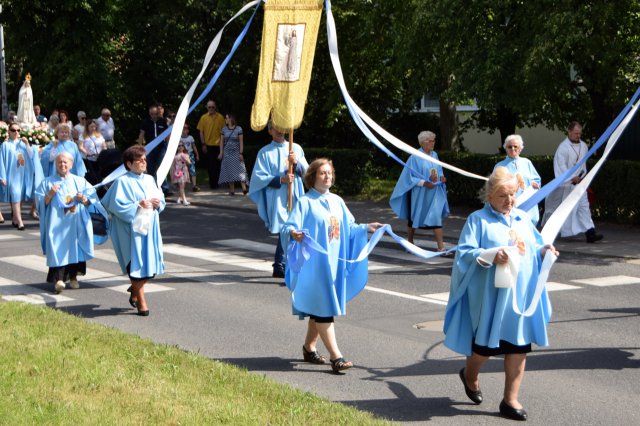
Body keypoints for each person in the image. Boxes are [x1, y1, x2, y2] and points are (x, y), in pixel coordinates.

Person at [443, 167, 558, 421]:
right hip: (491, 298)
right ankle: (470, 375)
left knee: (519, 347)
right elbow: (464, 253)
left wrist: (544, 251)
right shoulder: (478, 220)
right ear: (489, 196)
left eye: (513, 195)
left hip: (519, 297)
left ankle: (510, 400)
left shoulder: (523, 218)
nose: (509, 201)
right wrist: (491, 255)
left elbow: (534, 247)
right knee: (483, 350)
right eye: (503, 196)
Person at [281, 158, 383, 373]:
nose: (327, 176)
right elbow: (288, 227)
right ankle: (337, 358)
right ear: (312, 177)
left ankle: (309, 348)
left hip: (334, 263)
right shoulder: (305, 202)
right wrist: (293, 234)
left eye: (329, 173)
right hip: (314, 265)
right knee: (324, 308)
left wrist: (367, 227)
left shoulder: (337, 201)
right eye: (322, 173)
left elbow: (349, 227)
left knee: (318, 308)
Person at [102, 145, 165, 317]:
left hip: (149, 229)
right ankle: (142, 303)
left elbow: (160, 199)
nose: (144, 162)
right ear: (129, 164)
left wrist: (159, 204)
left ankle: (134, 289)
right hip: (129, 231)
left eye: (145, 159)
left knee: (150, 268)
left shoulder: (150, 179)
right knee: (135, 266)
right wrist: (137, 205)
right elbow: (113, 205)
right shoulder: (122, 182)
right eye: (139, 160)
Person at [249, 120, 308, 278]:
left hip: (295, 194)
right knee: (285, 229)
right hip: (279, 197)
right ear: (270, 131)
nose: (280, 130)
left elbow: (307, 173)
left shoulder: (296, 148)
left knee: (294, 228)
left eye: (282, 127)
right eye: (276, 128)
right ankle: (283, 264)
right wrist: (280, 180)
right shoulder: (265, 152)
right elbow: (258, 178)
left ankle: (281, 264)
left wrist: (296, 163)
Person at [35, 152, 98, 293]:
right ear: (55, 164)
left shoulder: (80, 181)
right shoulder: (47, 182)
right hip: (56, 224)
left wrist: (84, 199)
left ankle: (74, 277)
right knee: (58, 249)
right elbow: (40, 204)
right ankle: (59, 280)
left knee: (74, 248)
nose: (62, 164)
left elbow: (92, 201)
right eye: (60, 162)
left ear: (71, 164)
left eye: (65, 162)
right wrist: (50, 194)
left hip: (75, 222)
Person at [542, 122, 603, 242]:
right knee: (556, 209)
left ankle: (590, 233)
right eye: (576, 133)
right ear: (569, 132)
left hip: (579, 184)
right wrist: (572, 177)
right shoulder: (563, 148)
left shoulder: (584, 146)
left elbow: (583, 165)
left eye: (580, 133)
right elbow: (561, 166)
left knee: (583, 207)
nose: (578, 136)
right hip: (565, 185)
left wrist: (582, 177)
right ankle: (547, 232)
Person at [389, 131, 449, 250]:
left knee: (436, 216)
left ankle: (441, 247)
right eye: (431, 141)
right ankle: (410, 242)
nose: (433, 143)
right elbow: (409, 176)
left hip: (434, 193)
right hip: (419, 193)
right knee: (414, 217)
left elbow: (439, 170)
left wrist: (441, 177)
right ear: (423, 142)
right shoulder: (414, 156)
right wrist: (425, 183)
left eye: (434, 140)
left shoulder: (435, 155)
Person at [0, 124, 42, 230]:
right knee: (15, 195)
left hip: (22, 175)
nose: (16, 132)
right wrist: (2, 177)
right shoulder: (5, 145)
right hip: (11, 175)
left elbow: (31, 155)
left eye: (18, 130)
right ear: (9, 131)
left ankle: (15, 218)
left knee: (20, 197)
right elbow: (1, 162)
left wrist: (27, 143)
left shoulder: (23, 144)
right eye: (13, 130)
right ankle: (20, 222)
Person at [494, 134, 541, 225]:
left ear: (520, 148)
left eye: (515, 146)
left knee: (530, 226)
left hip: (528, 203)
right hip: (510, 203)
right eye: (509, 147)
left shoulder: (527, 162)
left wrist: (535, 183)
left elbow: (537, 179)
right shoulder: (499, 166)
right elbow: (495, 185)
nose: (512, 149)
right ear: (505, 148)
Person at [138, 104, 170, 195]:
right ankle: (151, 187)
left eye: (155, 113)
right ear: (149, 113)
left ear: (158, 113)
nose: (154, 116)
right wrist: (140, 148)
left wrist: (167, 145)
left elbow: (167, 134)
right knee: (150, 168)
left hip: (161, 147)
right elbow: (141, 134)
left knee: (162, 166)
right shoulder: (146, 122)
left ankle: (164, 188)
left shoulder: (163, 121)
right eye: (152, 114)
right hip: (150, 148)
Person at [197, 100, 225, 189]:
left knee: (217, 165)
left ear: (215, 107)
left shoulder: (220, 117)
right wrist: (203, 144)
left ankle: (216, 182)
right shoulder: (203, 118)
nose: (211, 109)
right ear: (207, 107)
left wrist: (223, 145)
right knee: (210, 165)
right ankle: (212, 184)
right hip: (208, 145)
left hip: (218, 145)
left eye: (213, 107)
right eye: (209, 107)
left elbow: (223, 132)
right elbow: (201, 132)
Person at [218, 113, 248, 195]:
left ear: (231, 119)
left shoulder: (239, 129)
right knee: (229, 170)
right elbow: (221, 142)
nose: (225, 120)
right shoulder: (223, 129)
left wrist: (241, 153)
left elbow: (241, 142)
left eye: (227, 118)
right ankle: (232, 190)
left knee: (241, 169)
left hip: (236, 152)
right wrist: (221, 153)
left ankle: (244, 188)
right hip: (227, 153)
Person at [81, 119, 107, 184]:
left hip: (98, 158)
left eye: (94, 126)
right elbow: (80, 147)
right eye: (91, 127)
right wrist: (86, 152)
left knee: (99, 174)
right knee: (90, 175)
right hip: (88, 159)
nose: (93, 128)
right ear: (87, 127)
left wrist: (104, 152)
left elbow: (104, 145)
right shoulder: (83, 136)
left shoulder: (99, 135)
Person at [180, 123, 200, 192]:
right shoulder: (179, 138)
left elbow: (194, 146)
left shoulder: (190, 137)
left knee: (192, 169)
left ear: (188, 130)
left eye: (186, 128)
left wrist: (197, 154)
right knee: (183, 170)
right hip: (182, 155)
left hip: (190, 154)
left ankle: (194, 185)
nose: (184, 130)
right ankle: (182, 185)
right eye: (183, 128)